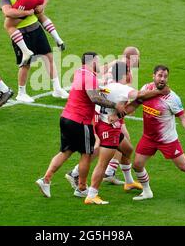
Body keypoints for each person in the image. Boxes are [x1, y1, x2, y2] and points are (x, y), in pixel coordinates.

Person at [120, 65, 185, 200]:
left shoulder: (172, 98)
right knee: (137, 165)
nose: (162, 79)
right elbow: (136, 103)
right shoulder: (145, 89)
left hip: (167, 140)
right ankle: (147, 191)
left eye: (165, 76)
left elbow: (183, 117)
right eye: (160, 75)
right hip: (149, 138)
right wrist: (119, 113)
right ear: (153, 76)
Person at [35, 52, 126, 198]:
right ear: (92, 61)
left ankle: (46, 179)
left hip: (66, 117)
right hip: (80, 121)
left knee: (66, 151)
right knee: (87, 154)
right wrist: (115, 105)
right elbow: (94, 97)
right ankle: (82, 188)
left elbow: (88, 88)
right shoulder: (90, 77)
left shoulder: (79, 72)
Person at [85, 61, 170, 205]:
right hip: (108, 128)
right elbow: (139, 95)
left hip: (104, 122)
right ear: (126, 74)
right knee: (102, 163)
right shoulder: (120, 88)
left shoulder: (108, 83)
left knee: (127, 150)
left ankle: (129, 182)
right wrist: (159, 91)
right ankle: (92, 194)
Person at [65, 46, 141, 187]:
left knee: (122, 145)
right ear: (133, 57)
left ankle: (112, 173)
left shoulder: (117, 64)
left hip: (110, 108)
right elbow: (115, 86)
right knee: (108, 145)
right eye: (138, 57)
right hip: (108, 111)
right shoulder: (123, 68)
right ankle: (76, 173)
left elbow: (101, 75)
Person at [0, 0, 69, 102]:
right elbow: (8, 12)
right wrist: (26, 12)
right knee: (26, 64)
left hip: (36, 28)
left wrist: (42, 6)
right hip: (20, 33)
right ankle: (21, 93)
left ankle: (57, 88)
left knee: (49, 58)